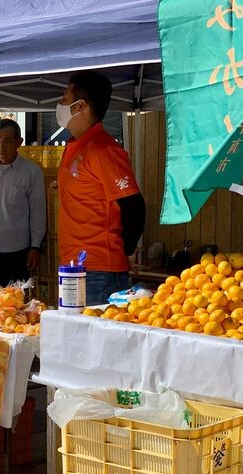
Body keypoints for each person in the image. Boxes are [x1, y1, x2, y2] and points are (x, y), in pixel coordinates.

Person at [56, 71, 146, 305]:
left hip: (99, 270)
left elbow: (133, 204)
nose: (60, 104)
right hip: (73, 267)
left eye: (65, 99)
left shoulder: (104, 150)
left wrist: (125, 248)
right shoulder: (75, 146)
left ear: (80, 106)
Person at [0, 119, 46, 285]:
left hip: (17, 251)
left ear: (18, 142)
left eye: (7, 141)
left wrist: (35, 247)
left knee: (14, 302)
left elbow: (38, 212)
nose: (1, 147)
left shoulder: (31, 172)